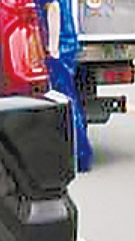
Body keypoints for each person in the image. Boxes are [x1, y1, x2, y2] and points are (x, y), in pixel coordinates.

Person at [36, 0, 94, 173]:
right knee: (69, 99)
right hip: (65, 43)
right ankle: (80, 155)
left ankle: (81, 156)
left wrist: (52, 48)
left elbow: (53, 7)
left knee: (65, 101)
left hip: (60, 46)